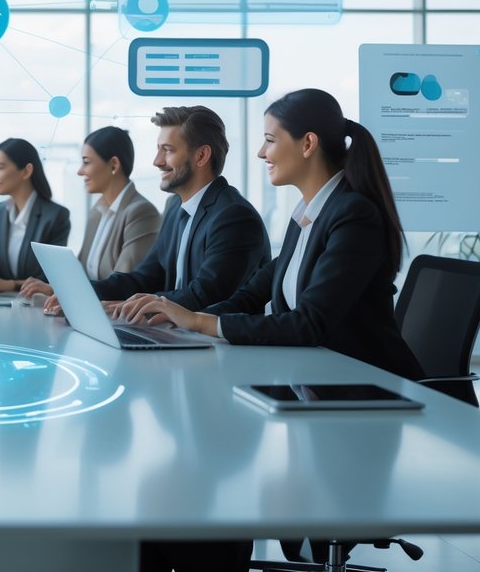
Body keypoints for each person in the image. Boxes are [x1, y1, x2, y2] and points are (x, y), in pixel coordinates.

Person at [122, 90, 426, 572]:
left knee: (210, 468)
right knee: (188, 469)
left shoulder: (354, 216)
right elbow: (251, 294)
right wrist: (181, 323)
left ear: (307, 144)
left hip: (355, 407)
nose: (261, 152)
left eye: (269, 139)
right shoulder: (310, 213)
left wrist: (200, 321)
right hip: (310, 389)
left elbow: (310, 323)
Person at [43, 105, 269, 315]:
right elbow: (145, 277)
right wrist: (80, 292)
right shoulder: (175, 207)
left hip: (214, 341)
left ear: (201, 156)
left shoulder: (234, 217)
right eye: (158, 149)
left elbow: (204, 296)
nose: (157, 161)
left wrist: (126, 307)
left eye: (168, 150)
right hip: (175, 335)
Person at [20, 126, 160, 301]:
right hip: (91, 308)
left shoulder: (141, 212)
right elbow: (81, 273)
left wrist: (63, 291)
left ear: (114, 164)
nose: (80, 171)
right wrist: (54, 287)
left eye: (86, 162)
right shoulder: (97, 212)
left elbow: (124, 286)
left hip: (115, 313)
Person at [0, 138, 70, 293]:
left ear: (27, 171)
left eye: (0, 167)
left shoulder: (55, 216)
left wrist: (10, 284)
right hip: (0, 304)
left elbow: (52, 278)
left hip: (39, 305)